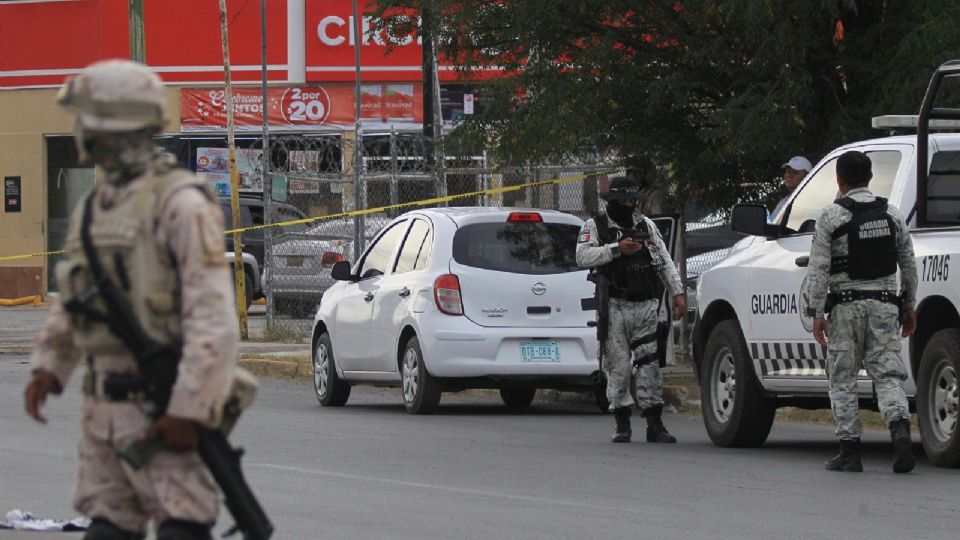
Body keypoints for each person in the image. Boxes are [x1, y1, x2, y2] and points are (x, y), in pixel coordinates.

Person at [23, 60, 239, 539]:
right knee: (107, 529)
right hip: (103, 412)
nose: (79, 130)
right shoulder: (95, 207)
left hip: (162, 405)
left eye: (88, 119)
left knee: (181, 526)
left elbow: (213, 318)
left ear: (115, 124)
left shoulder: (180, 203)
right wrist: (50, 365)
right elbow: (77, 296)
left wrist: (190, 406)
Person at [806, 150, 918, 473]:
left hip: (845, 308)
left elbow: (818, 269)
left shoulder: (830, 217)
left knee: (842, 378)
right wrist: (909, 305)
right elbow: (908, 263)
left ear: (839, 181)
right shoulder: (892, 215)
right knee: (887, 376)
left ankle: (850, 452)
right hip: (884, 306)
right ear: (870, 178)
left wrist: (816, 313)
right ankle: (899, 431)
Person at [577, 176, 686, 443]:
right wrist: (616, 249)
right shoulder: (596, 226)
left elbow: (664, 261)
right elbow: (582, 256)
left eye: (631, 200)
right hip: (613, 307)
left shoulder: (645, 226)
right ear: (612, 201)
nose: (627, 205)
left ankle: (654, 423)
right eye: (622, 201)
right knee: (619, 366)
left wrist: (677, 292)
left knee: (650, 364)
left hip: (646, 306)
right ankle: (622, 423)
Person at [770, 155, 813, 220]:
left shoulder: (813, 201)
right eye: (788, 171)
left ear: (807, 177)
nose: (789, 175)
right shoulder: (783, 202)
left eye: (795, 172)